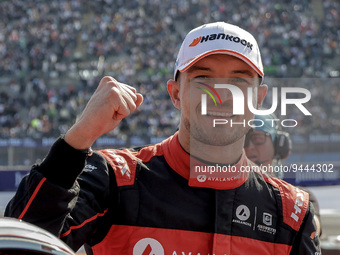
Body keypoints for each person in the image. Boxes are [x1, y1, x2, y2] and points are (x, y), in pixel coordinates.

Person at [5, 22, 320, 254]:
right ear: (176, 94)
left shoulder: (291, 211)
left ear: (259, 99)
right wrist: (79, 137)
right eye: (204, 79)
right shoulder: (115, 179)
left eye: (238, 81)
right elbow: (18, 245)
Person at [244, 113, 322, 237]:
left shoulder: (302, 198)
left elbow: (312, 230)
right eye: (243, 140)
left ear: (278, 145)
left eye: (257, 138)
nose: (249, 147)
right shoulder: (228, 193)